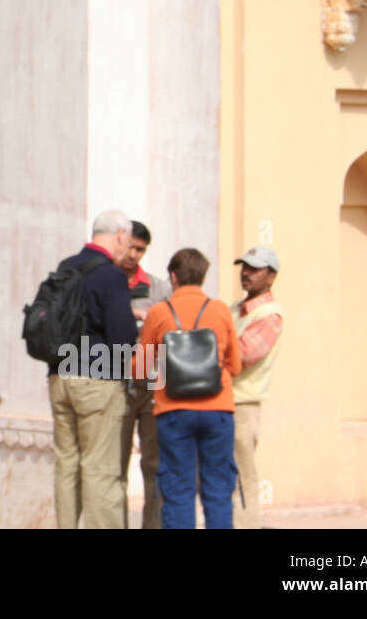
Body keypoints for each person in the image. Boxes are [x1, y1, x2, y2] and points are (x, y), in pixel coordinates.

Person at [137, 248, 242, 529]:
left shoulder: (159, 313)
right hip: (218, 409)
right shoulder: (219, 310)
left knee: (178, 490)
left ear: (173, 276)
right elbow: (236, 364)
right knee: (218, 491)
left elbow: (141, 368)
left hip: (173, 411)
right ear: (202, 276)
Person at [49, 210, 137, 529]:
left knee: (67, 466)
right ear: (119, 235)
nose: (128, 248)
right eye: (127, 240)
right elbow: (122, 335)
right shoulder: (111, 276)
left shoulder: (66, 267)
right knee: (100, 470)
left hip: (60, 375)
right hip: (96, 378)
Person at [117, 221, 171, 529]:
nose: (134, 255)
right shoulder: (107, 283)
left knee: (154, 464)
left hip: (153, 382)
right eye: (131, 247)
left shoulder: (157, 288)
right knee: (115, 468)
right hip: (116, 384)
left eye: (141, 250)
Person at [229, 246, 283, 529]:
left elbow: (243, 355)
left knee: (242, 475)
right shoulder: (234, 309)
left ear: (271, 276)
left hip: (243, 405)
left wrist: (207, 349)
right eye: (243, 267)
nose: (245, 273)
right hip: (224, 401)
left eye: (254, 268)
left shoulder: (269, 315)